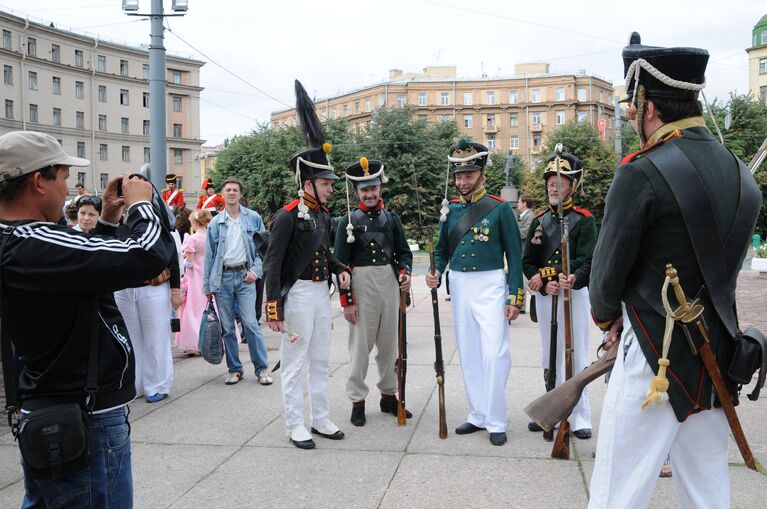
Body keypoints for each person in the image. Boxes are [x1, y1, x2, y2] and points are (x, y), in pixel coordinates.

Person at [587, 33, 761, 509]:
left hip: (654, 355)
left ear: (648, 106)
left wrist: (607, 319)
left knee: (616, 493)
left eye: (632, 106)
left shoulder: (639, 171)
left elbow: (604, 280)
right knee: (708, 493)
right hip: (718, 355)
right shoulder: (741, 175)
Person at [0, 130, 173, 507]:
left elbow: (85, 271)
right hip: (83, 416)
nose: (68, 191)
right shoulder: (34, 242)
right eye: (63, 178)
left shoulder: (17, 239)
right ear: (38, 182)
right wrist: (143, 204)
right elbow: (147, 255)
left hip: (51, 406)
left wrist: (108, 223)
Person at [263, 79, 351, 450]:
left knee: (319, 359)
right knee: (295, 362)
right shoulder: (286, 216)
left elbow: (323, 253)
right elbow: (273, 263)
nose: (331, 188)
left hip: (320, 295)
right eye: (326, 183)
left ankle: (321, 418)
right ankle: (295, 424)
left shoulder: (323, 216)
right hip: (296, 295)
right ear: (308, 183)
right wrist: (273, 306)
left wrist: (337, 267)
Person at [425, 139, 524, 447]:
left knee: (495, 353)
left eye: (468, 175)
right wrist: (436, 272)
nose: (462, 182)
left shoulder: (499, 209)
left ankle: (496, 419)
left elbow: (515, 255)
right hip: (461, 285)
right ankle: (478, 413)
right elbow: (441, 251)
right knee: (469, 353)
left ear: (481, 174)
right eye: (458, 176)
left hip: (491, 283)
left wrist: (514, 296)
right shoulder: (451, 212)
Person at [522, 152, 596, 439]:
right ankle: (550, 412)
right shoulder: (539, 221)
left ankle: (580, 416)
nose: (554, 188)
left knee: (575, 354)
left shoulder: (584, 220)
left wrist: (568, 277)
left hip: (572, 294)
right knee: (549, 356)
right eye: (551, 183)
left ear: (572, 187)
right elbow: (528, 261)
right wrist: (539, 280)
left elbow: (589, 260)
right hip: (546, 296)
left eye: (560, 183)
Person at [334, 156, 413, 426]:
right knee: (360, 349)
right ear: (357, 192)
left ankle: (389, 396)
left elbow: (404, 254)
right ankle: (357, 400)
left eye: (373, 188)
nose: (369, 193)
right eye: (364, 190)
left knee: (390, 346)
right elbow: (340, 265)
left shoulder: (392, 220)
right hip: (361, 286)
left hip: (388, 284)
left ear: (380, 189)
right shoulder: (347, 220)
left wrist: (404, 272)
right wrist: (347, 302)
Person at [203, 177, 271, 386]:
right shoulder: (215, 223)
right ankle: (235, 369)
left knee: (251, 324)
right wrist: (207, 286)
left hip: (245, 277)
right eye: (228, 190)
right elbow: (209, 255)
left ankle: (262, 369)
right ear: (222, 195)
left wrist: (255, 271)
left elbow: (263, 249)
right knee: (227, 328)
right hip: (222, 279)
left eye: (235, 190)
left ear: (240, 194)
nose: (231, 193)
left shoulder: (253, 218)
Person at [114, 219, 182, 404]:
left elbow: (173, 259)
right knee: (130, 340)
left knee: (156, 338)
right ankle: (134, 385)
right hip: (123, 290)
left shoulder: (158, 227)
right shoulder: (115, 226)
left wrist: (175, 290)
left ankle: (157, 385)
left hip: (153, 288)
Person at [178, 209, 213, 355]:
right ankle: (211, 340)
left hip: (194, 278)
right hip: (208, 276)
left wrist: (185, 260)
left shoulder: (191, 239)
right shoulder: (211, 237)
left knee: (193, 309)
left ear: (194, 222)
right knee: (208, 308)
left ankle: (193, 343)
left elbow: (189, 262)